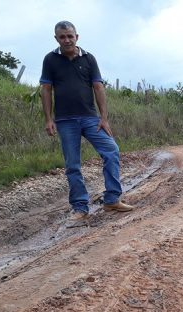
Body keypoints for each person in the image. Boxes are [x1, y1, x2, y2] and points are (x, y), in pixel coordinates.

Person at [40, 21, 134, 221]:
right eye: (62, 37)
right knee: (73, 165)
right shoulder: (50, 60)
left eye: (70, 36)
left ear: (77, 37)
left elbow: (98, 87)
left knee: (111, 150)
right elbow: (46, 90)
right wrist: (49, 119)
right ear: (56, 38)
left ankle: (112, 199)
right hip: (65, 121)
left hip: (91, 119)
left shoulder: (89, 59)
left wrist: (104, 119)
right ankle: (80, 208)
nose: (67, 40)